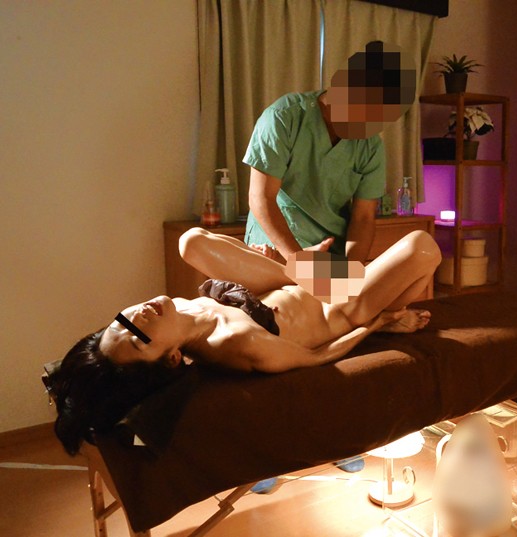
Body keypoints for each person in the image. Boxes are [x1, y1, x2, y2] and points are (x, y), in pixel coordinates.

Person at [48, 228, 441, 456]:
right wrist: (377, 325)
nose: (137, 318)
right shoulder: (235, 343)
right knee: (423, 249)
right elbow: (315, 357)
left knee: (191, 242)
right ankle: (376, 302)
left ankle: (311, 269)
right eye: (138, 340)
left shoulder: (178, 309)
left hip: (306, 280)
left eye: (120, 322)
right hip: (339, 306)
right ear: (171, 359)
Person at [244, 40, 416, 264]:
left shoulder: (370, 146)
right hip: (275, 253)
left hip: (330, 256)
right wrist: (299, 264)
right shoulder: (285, 117)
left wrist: (351, 271)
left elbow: (363, 218)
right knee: (199, 241)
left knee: (421, 249)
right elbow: (261, 198)